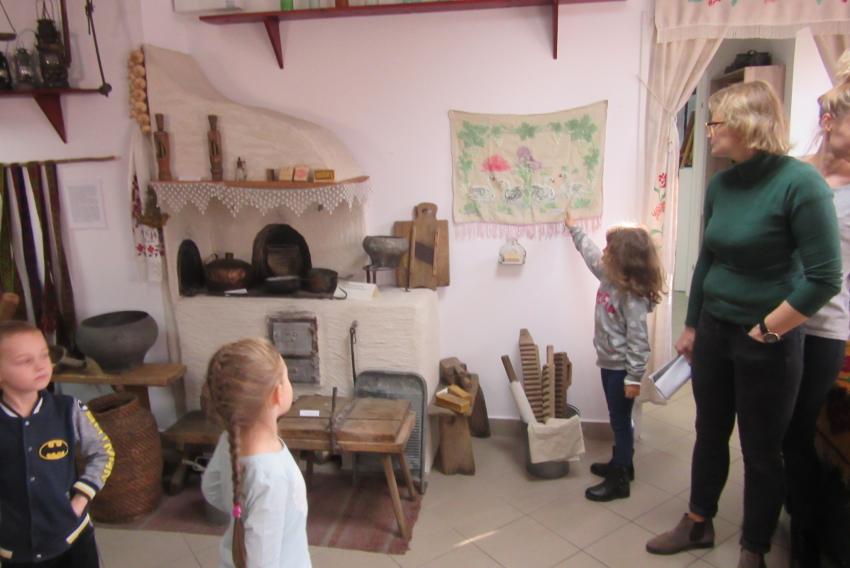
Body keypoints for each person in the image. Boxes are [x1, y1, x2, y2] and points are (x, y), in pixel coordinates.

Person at [646, 80, 842, 568]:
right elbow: (707, 259)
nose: (708, 131)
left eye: (716, 122)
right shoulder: (721, 185)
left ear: (747, 126)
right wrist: (692, 325)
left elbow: (824, 278)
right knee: (709, 431)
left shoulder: (801, 184)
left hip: (769, 340)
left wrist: (769, 329)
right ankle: (698, 521)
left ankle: (753, 548)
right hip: (715, 329)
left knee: (761, 450)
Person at [784, 63, 850, 568]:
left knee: (800, 428)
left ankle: (804, 536)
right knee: (778, 430)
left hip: (829, 326)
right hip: (781, 321)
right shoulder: (794, 173)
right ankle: (785, 516)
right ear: (829, 121)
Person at [564, 210, 664, 502]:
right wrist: (574, 229)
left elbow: (639, 342)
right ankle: (623, 463)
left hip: (622, 369)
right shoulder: (609, 276)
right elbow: (590, 253)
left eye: (610, 249)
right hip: (608, 362)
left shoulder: (632, 297)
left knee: (620, 420)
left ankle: (620, 478)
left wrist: (633, 378)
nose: (604, 252)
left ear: (624, 258)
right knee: (617, 417)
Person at [0, 321, 114, 567]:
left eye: (44, 355)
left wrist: (81, 499)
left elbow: (103, 452)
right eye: (25, 360)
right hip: (15, 549)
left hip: (73, 538)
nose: (41, 365)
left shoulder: (69, 409)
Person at [201, 337, 310, 568]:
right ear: (277, 394)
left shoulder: (229, 440)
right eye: (287, 377)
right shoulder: (272, 477)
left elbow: (211, 489)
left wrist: (239, 512)